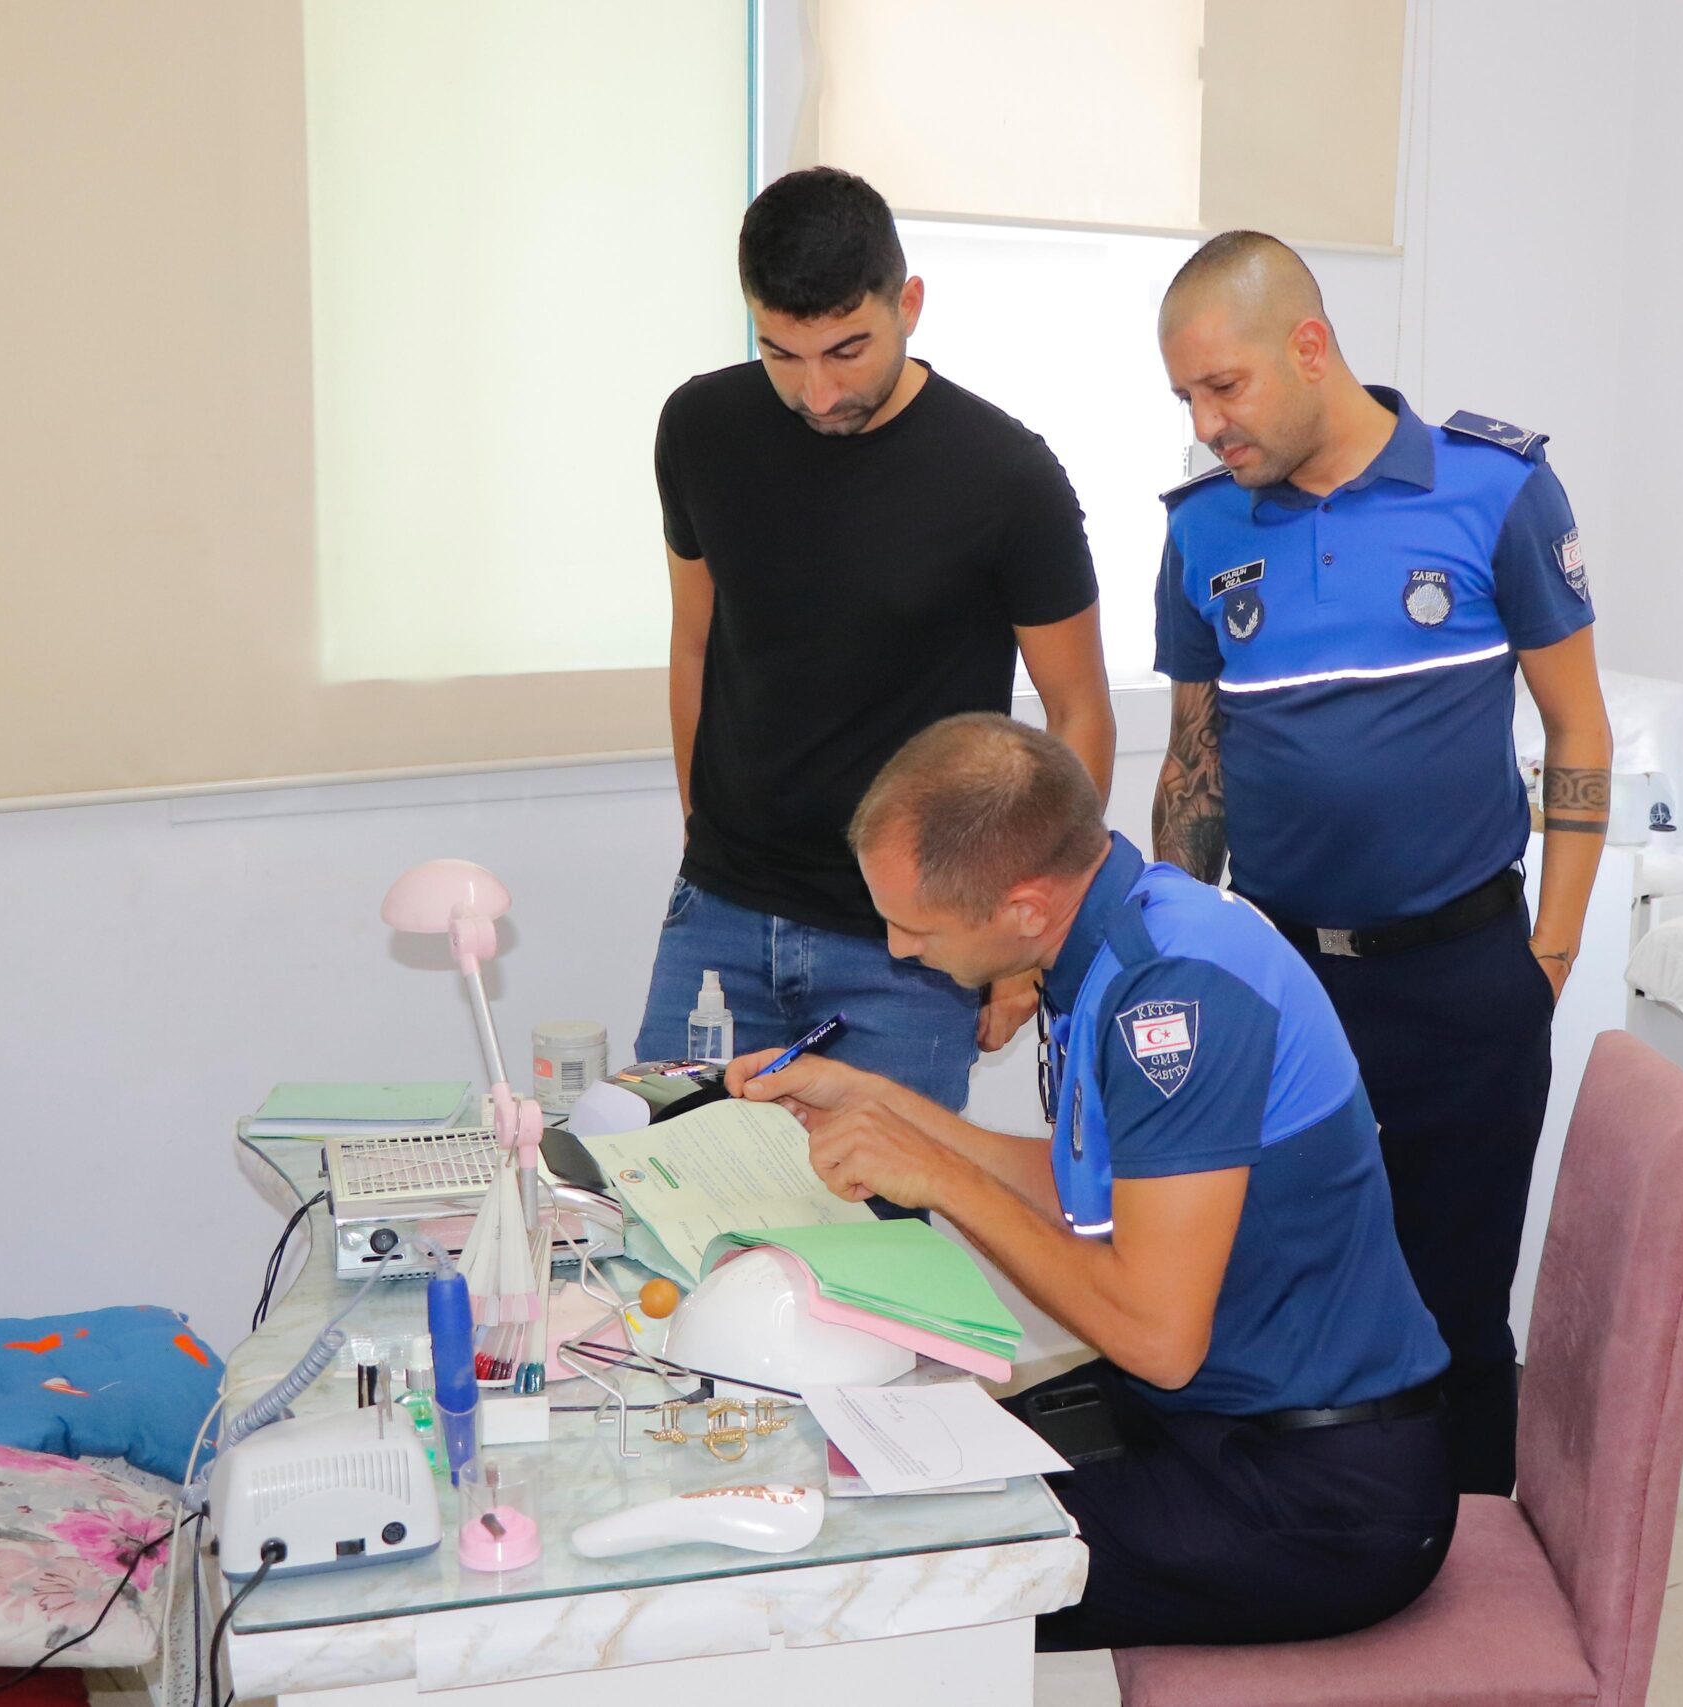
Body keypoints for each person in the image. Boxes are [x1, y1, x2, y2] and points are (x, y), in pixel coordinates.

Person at [735, 713, 1456, 1650]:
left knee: (871, 1580)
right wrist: (882, 1105)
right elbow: (1092, 1191)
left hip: (1316, 1492)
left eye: (914, 925)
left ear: (1024, 908)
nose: (898, 948)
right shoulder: (1128, 932)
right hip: (1216, 1420)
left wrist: (940, 1177)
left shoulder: (1175, 996)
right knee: (859, 1471)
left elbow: (1158, 1339)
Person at [1147, 230, 1613, 1494]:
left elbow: (1575, 728)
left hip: (1463, 978)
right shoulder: (1202, 530)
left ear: (1311, 347)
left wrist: (1549, 957)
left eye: (1223, 387)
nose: (1206, 425)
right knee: (1276, 1292)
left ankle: (1469, 1568)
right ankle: (1300, 1545)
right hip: (1281, 984)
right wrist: (1164, 964)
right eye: (1185, 398)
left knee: (1456, 1312)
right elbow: (1194, 763)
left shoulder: (1495, 490)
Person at [635, 167, 1116, 1121]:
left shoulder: (1006, 477)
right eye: (782, 353)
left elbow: (1079, 711)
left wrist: (1026, 943)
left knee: (882, 1214)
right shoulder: (700, 429)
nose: (818, 392)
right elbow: (694, 643)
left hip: (912, 949)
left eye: (847, 350)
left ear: (910, 304)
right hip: (720, 919)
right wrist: (701, 833)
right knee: (666, 1192)